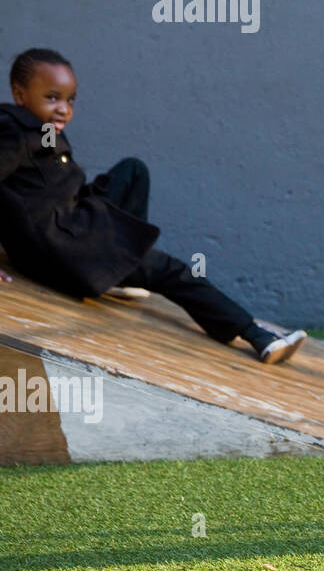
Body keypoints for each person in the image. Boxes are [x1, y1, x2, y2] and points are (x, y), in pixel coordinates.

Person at [0, 48, 307, 365]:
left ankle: (120, 272)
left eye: (70, 100)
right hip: (63, 249)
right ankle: (254, 333)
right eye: (52, 98)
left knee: (133, 171)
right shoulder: (14, 132)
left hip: (69, 219)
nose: (64, 109)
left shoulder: (38, 130)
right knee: (170, 271)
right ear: (20, 95)